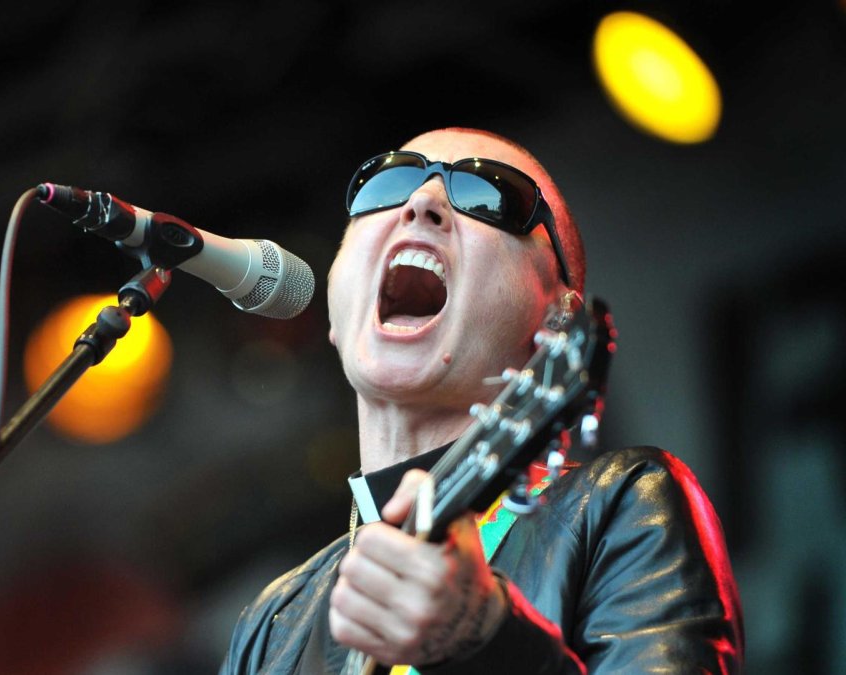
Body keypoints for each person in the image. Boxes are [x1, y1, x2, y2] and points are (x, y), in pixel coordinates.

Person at [219, 128, 743, 674]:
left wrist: (486, 641)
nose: (423, 202)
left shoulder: (619, 504)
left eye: (488, 195)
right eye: (386, 184)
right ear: (332, 298)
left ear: (557, 322)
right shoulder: (273, 622)